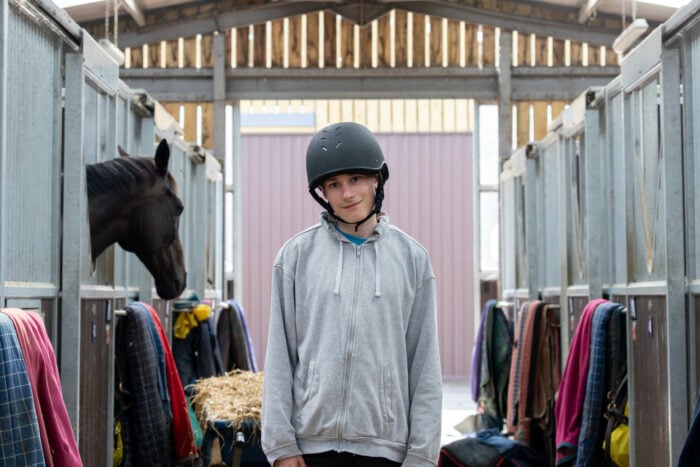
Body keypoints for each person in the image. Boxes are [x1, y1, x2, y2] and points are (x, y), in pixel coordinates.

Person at [261, 121, 443, 467]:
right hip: (310, 449)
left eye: (356, 179)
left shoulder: (412, 259)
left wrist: (422, 453)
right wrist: (281, 445)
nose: (347, 194)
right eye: (334, 184)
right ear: (323, 193)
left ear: (376, 180)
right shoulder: (295, 257)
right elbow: (279, 356)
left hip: (386, 450)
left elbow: (424, 363)